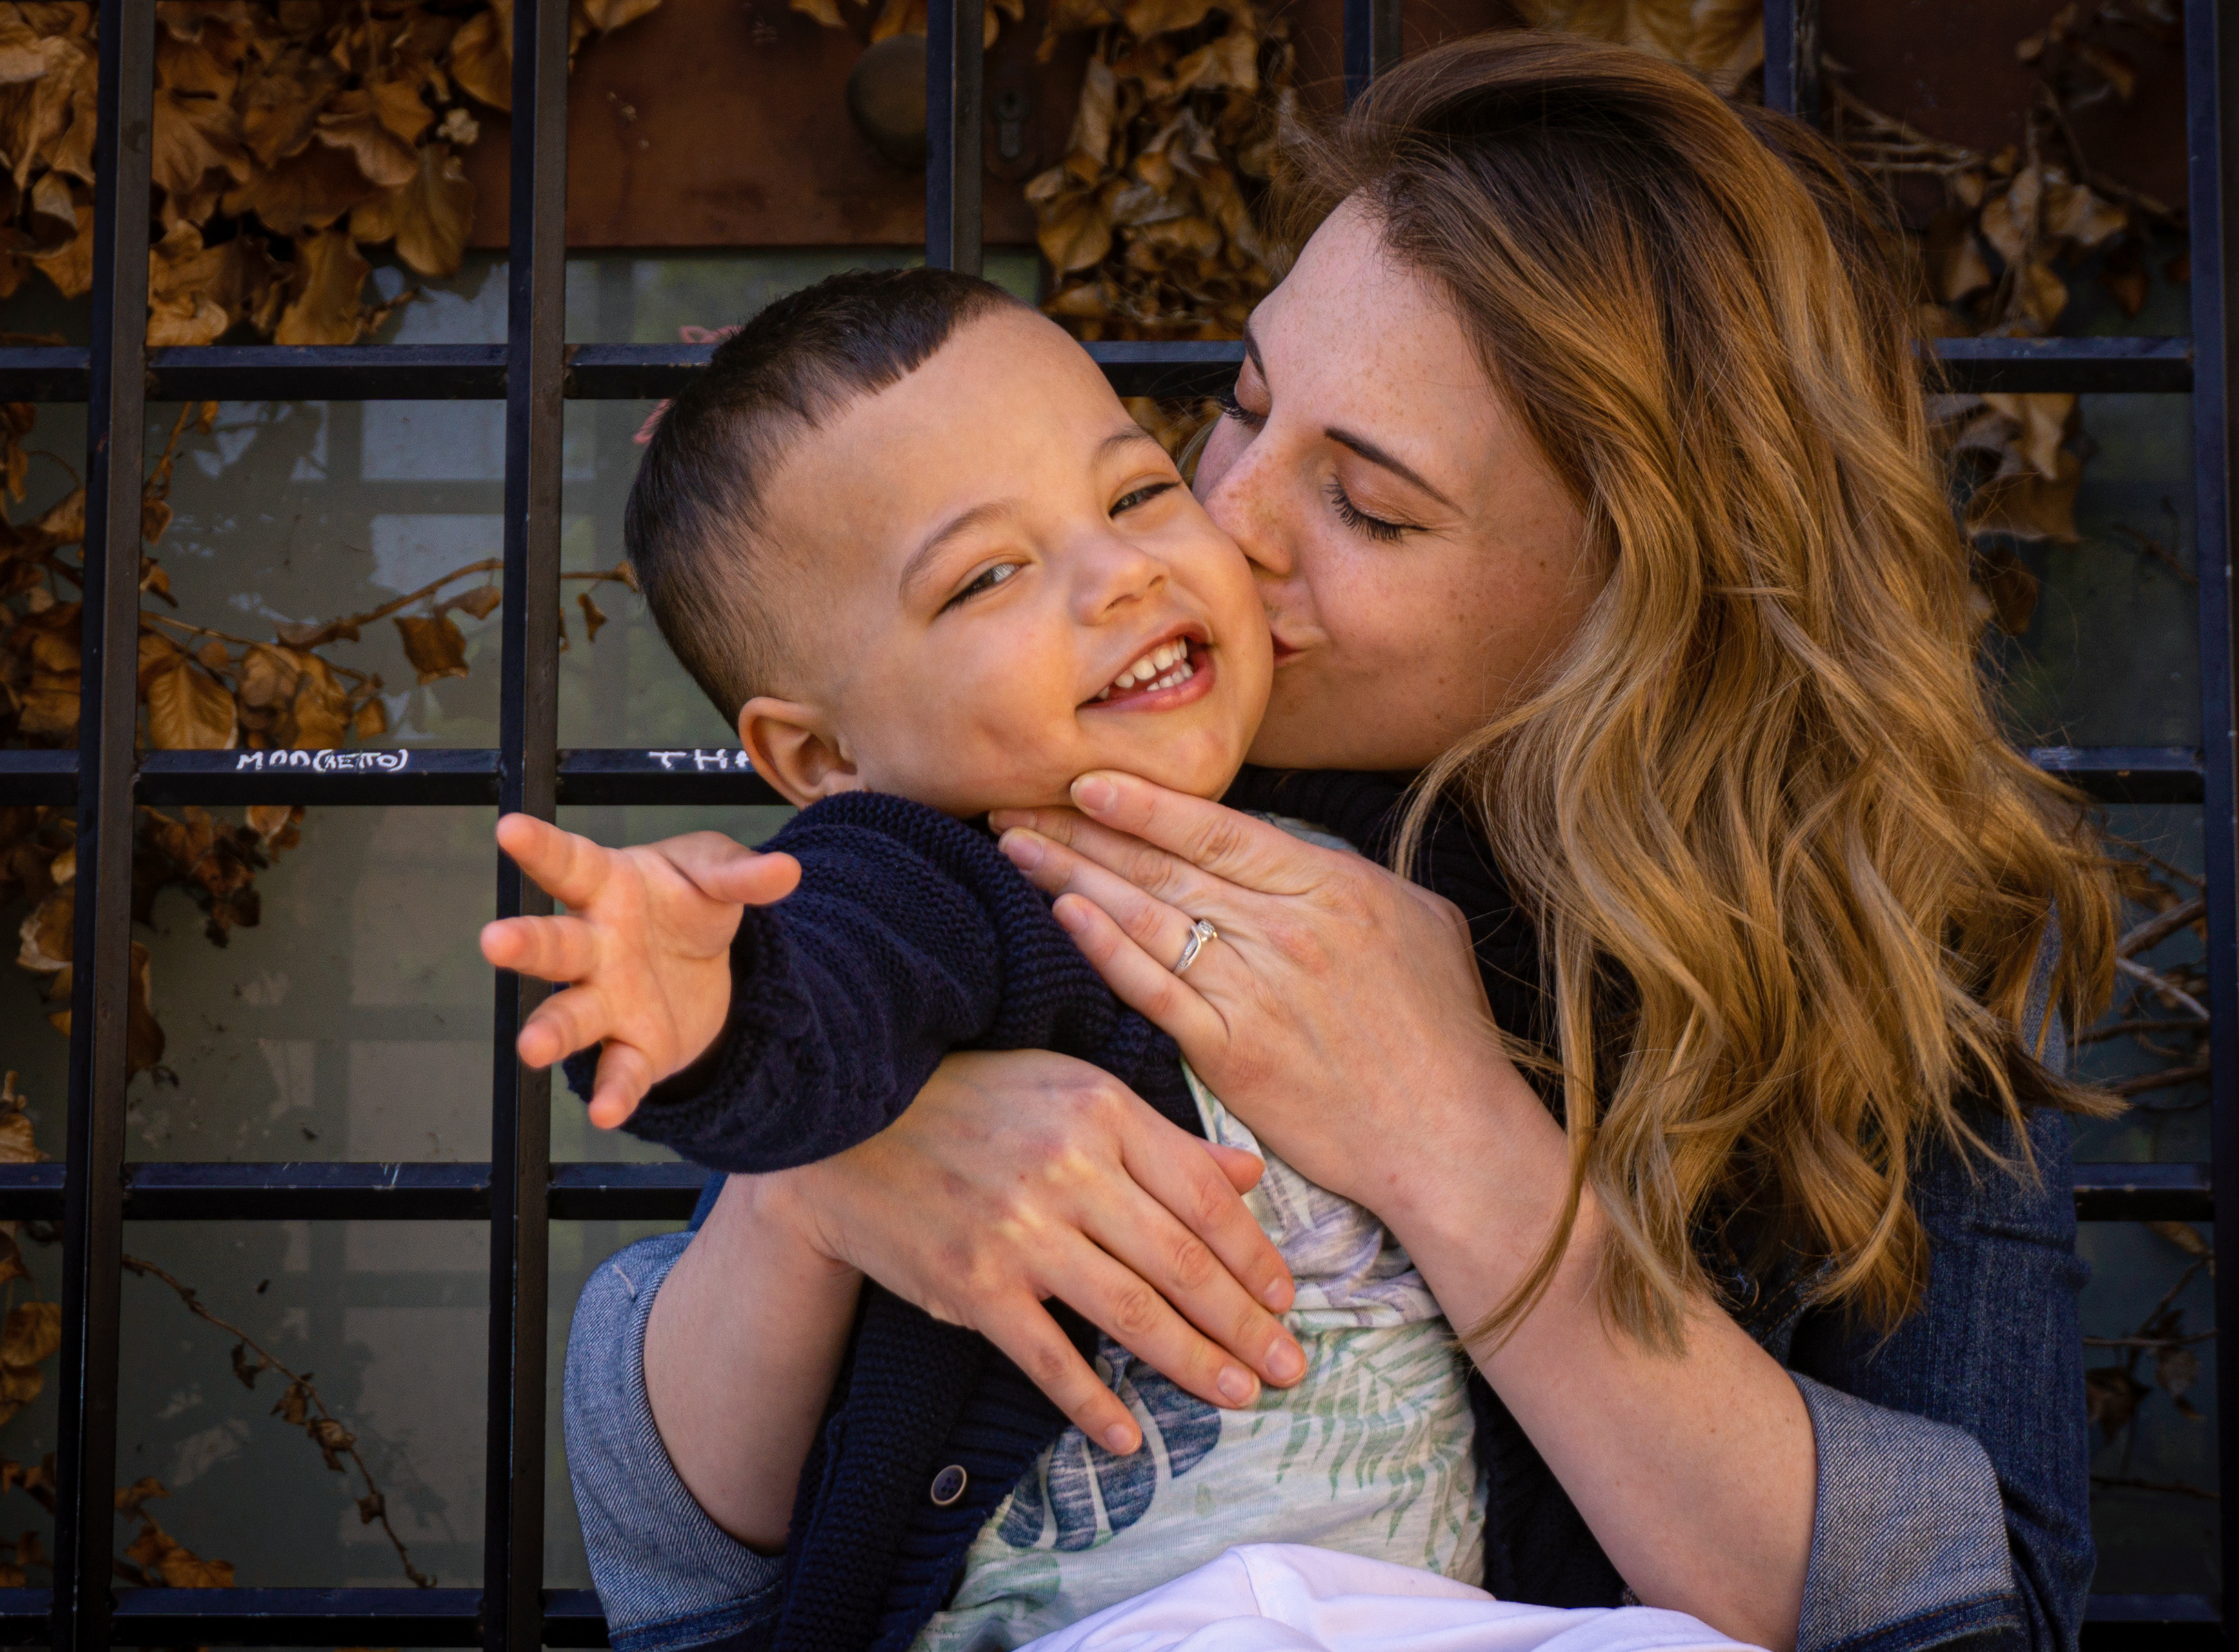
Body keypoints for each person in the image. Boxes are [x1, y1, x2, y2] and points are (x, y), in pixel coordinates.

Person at [555, 34, 2118, 1652]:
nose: (1218, 527)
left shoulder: (1906, 928)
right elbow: (684, 1571)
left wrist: (1456, 1139)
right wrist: (823, 1166)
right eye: (1238, 408)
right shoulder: (1057, 777)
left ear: (1637, 599)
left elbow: (1979, 1614)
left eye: (1368, 507)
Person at [492, 267, 1752, 1652]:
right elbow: (828, 999)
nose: (1124, 573)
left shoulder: (1411, 841)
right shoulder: (938, 879)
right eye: (989, 575)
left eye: (1139, 493)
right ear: (824, 756)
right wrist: (712, 1005)